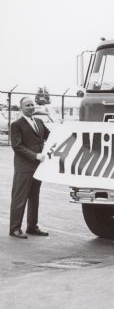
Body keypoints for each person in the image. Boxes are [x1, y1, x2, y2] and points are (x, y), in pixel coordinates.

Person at [9, 97, 50, 239]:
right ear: (21, 108)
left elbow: (50, 136)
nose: (31, 107)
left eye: (32, 105)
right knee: (20, 198)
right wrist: (35, 156)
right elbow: (17, 146)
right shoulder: (16, 125)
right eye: (27, 105)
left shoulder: (38, 122)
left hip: (37, 167)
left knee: (34, 197)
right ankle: (14, 228)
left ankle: (32, 226)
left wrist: (62, 128)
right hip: (24, 167)